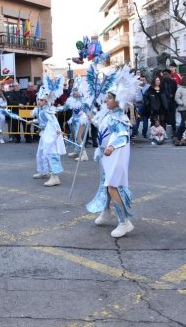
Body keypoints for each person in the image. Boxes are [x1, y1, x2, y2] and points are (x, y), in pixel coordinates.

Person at [86, 66, 138, 238]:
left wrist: (111, 147)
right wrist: (92, 119)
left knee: (112, 187)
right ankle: (106, 212)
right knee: (106, 185)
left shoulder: (119, 118)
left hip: (115, 157)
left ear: (118, 100)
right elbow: (102, 129)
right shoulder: (108, 115)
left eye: (109, 98)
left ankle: (124, 223)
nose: (106, 101)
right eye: (107, 98)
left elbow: (123, 136)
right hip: (105, 157)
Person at [28, 87, 66, 187]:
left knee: (51, 153)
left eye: (42, 100)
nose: (39, 102)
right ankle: (43, 171)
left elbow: (53, 121)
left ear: (46, 101)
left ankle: (55, 177)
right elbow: (42, 121)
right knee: (41, 152)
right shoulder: (41, 110)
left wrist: (57, 130)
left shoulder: (48, 110)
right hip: (44, 134)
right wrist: (33, 121)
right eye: (38, 100)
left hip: (51, 135)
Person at [55, 79, 90, 161]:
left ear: (80, 90)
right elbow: (65, 107)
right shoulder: (71, 100)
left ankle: (84, 155)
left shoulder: (84, 101)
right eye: (73, 90)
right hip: (73, 120)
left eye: (76, 90)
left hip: (81, 120)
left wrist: (90, 117)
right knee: (74, 136)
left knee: (79, 137)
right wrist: (55, 109)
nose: (74, 92)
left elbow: (89, 111)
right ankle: (77, 151)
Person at [132, 73, 150, 138]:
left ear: (146, 80)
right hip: (138, 105)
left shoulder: (148, 87)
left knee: (145, 119)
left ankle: (144, 133)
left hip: (146, 106)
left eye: (144, 80)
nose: (142, 81)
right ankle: (134, 132)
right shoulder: (137, 87)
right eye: (141, 80)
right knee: (137, 119)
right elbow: (135, 97)